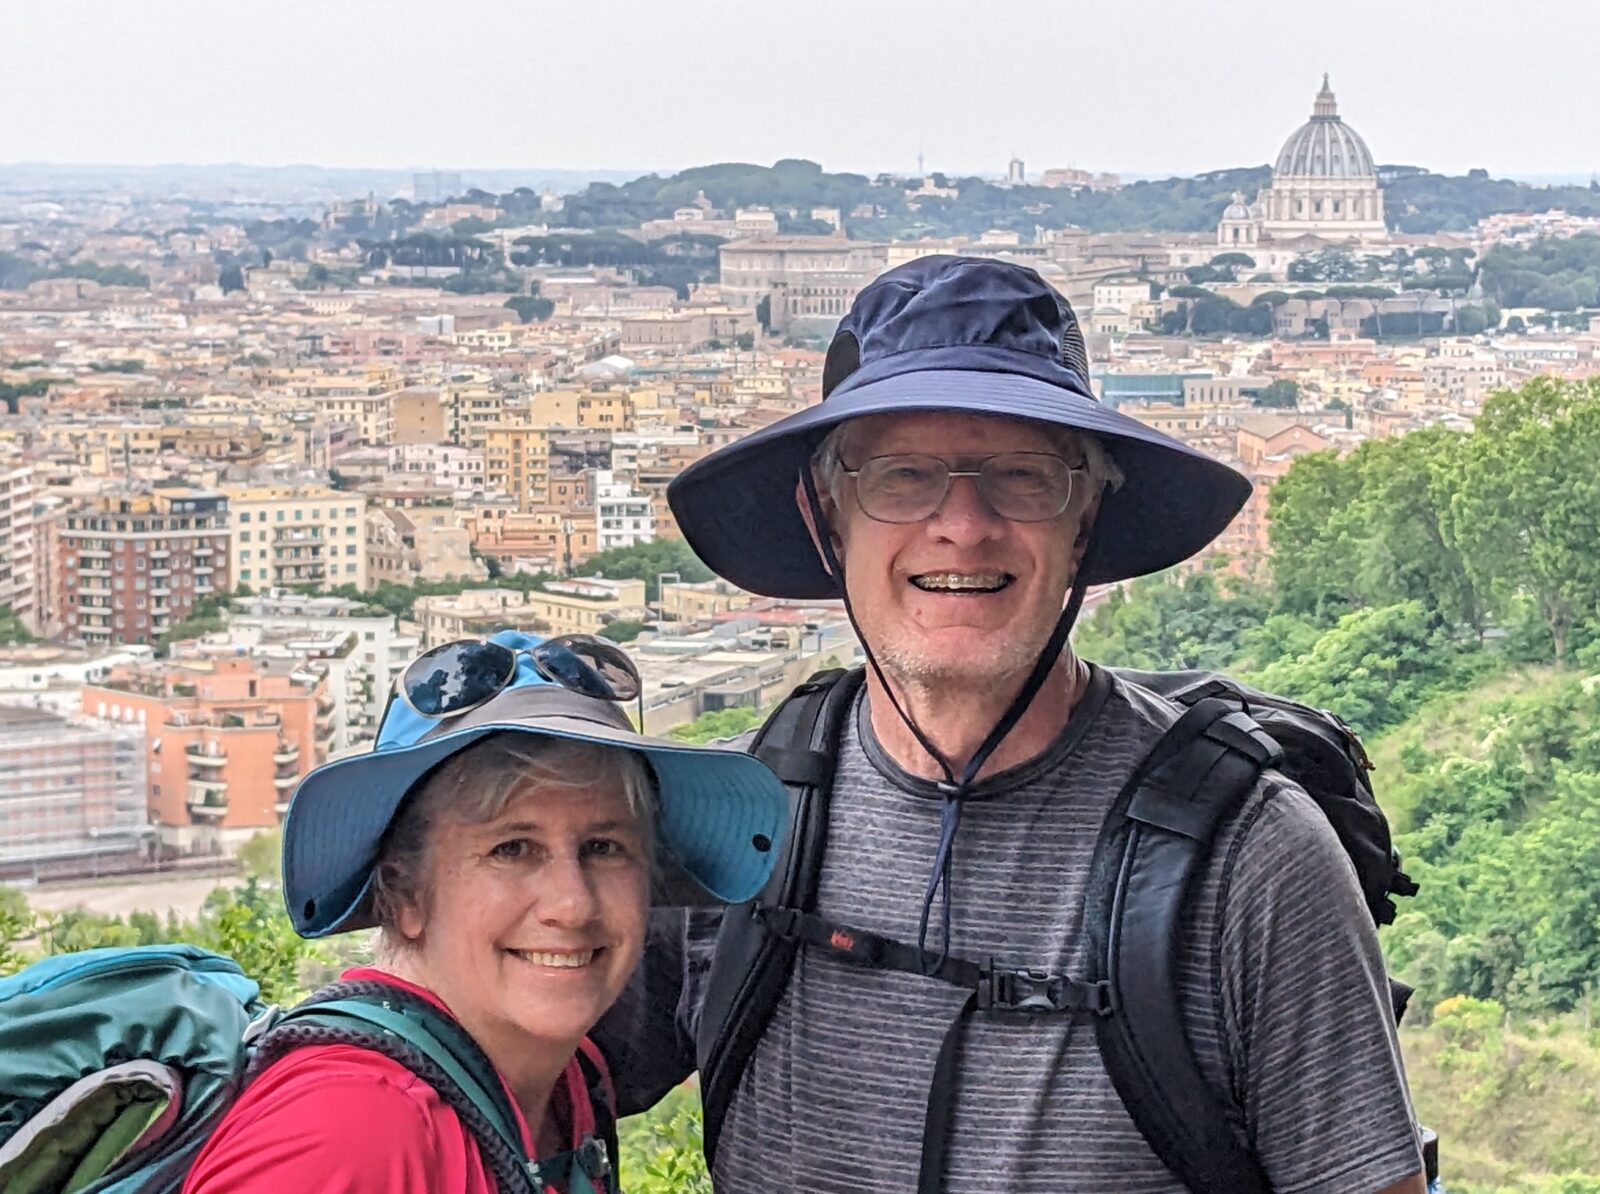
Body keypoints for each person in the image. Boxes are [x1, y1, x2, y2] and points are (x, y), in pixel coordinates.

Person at [596, 256, 1429, 1193]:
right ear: (827, 516)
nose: (964, 524)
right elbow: (497, 1073)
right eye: (902, 477)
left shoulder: (1251, 857)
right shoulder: (731, 820)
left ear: (1085, 519)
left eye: (1023, 478)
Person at [184, 630, 788, 1194]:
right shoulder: (351, 1130)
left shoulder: (562, 1089)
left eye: (604, 847)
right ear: (405, 894)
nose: (571, 903)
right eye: (512, 849)